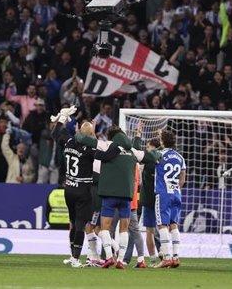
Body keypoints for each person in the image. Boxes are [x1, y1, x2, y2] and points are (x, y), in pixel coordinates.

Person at [72, 115, 161, 270]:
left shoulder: (107, 146)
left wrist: (78, 132)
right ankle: (121, 260)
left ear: (111, 137)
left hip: (108, 194)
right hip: (127, 196)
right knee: (125, 229)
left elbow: (86, 140)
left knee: (105, 228)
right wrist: (159, 152)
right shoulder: (132, 150)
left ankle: (109, 257)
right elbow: (151, 157)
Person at [52, 107, 119, 268]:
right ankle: (76, 259)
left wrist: (62, 117)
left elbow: (57, 133)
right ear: (89, 135)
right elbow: (108, 155)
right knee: (81, 225)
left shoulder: (68, 141)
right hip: (83, 190)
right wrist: (118, 147)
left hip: (68, 188)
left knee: (73, 223)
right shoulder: (89, 149)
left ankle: (72, 256)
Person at [154, 129, 186, 269]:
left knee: (162, 225)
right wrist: (175, 188)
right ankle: (176, 257)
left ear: (162, 141)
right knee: (173, 224)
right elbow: (183, 179)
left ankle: (166, 258)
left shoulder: (158, 155)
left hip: (163, 193)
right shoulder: (180, 157)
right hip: (176, 193)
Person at [140, 137, 162, 264]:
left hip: (148, 199)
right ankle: (165, 254)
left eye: (148, 147)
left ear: (153, 148)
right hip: (160, 197)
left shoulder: (147, 161)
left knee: (149, 230)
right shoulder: (162, 161)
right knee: (163, 227)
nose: (146, 150)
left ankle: (153, 259)